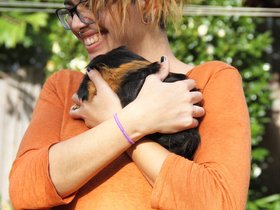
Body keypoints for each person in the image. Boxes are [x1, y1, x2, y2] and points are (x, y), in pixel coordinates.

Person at [9, 0, 251, 209]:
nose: (76, 24)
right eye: (71, 11)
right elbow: (24, 189)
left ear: (148, 3)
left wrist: (115, 120)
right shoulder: (65, 88)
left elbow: (220, 203)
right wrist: (132, 121)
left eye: (90, 5)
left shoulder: (211, 81)